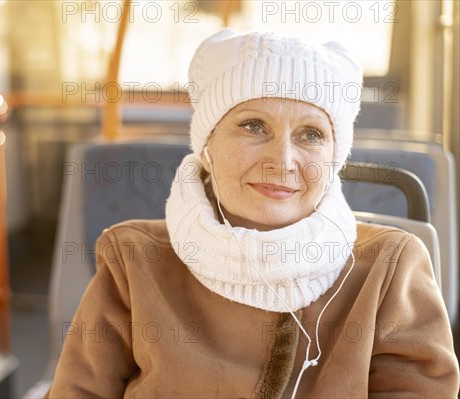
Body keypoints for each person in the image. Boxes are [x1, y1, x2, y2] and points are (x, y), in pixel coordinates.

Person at [46, 29, 459, 398]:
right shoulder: (134, 260)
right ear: (207, 147)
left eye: (311, 134)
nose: (282, 161)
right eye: (252, 126)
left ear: (334, 155)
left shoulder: (390, 266)